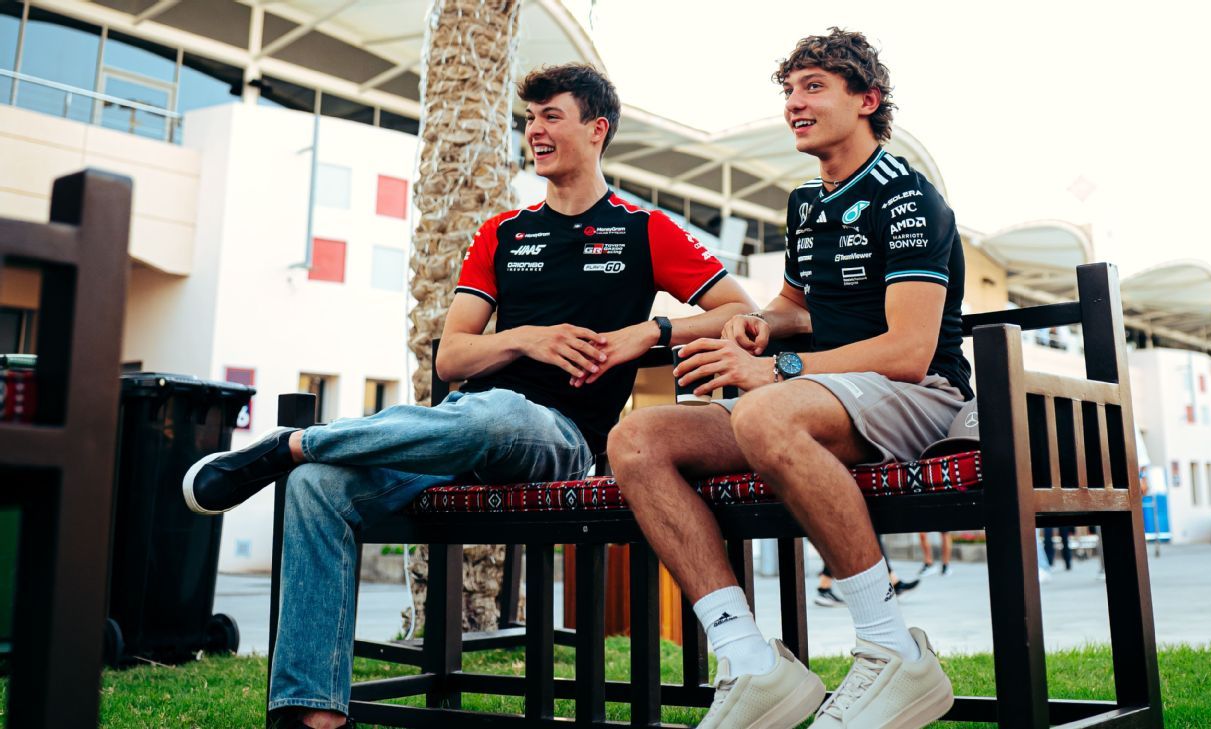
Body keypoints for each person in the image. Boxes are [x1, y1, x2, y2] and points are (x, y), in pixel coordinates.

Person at [180, 64, 756, 729]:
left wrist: (649, 332)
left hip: (560, 440)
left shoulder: (644, 229)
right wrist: (527, 339)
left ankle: (294, 443)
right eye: (530, 118)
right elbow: (452, 357)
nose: (535, 131)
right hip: (459, 431)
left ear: (598, 129)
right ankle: (314, 716)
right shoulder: (503, 232)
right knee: (317, 487)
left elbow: (741, 309)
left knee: (497, 413)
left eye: (551, 116)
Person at [607, 28, 973, 729]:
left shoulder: (909, 197)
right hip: (821, 398)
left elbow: (909, 351)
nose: (794, 103)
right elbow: (794, 305)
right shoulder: (806, 203)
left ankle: (894, 651)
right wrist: (761, 326)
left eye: (813, 87)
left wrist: (777, 367)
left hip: (920, 396)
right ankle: (751, 661)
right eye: (788, 90)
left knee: (764, 410)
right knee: (636, 440)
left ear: (867, 100)